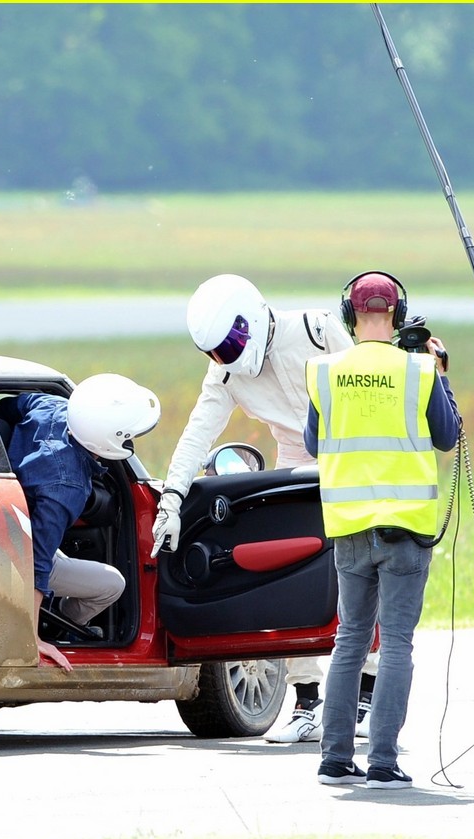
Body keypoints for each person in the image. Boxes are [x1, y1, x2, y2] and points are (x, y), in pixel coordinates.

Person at [149, 272, 379, 743]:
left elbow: (368, 381)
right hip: (294, 468)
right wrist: (171, 500)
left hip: (353, 456)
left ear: (249, 322)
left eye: (228, 346)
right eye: (213, 352)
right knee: (294, 585)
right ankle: (308, 701)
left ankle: (367, 697)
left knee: (363, 573)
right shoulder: (226, 374)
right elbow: (198, 434)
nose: (223, 358)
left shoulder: (316, 330)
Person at [306, 271, 459, 789]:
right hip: (405, 526)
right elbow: (447, 436)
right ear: (397, 315)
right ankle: (384, 763)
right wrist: (442, 375)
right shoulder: (419, 369)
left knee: (350, 639)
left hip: (349, 525)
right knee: (395, 644)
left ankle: (333, 759)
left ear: (349, 314)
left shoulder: (324, 371)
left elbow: (312, 442)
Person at [0, 373, 161, 672]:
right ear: (108, 441)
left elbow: (6, 408)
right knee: (113, 584)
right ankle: (60, 624)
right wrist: (30, 639)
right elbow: (37, 564)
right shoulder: (65, 487)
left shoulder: (53, 407)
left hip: (9, 527)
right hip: (17, 553)